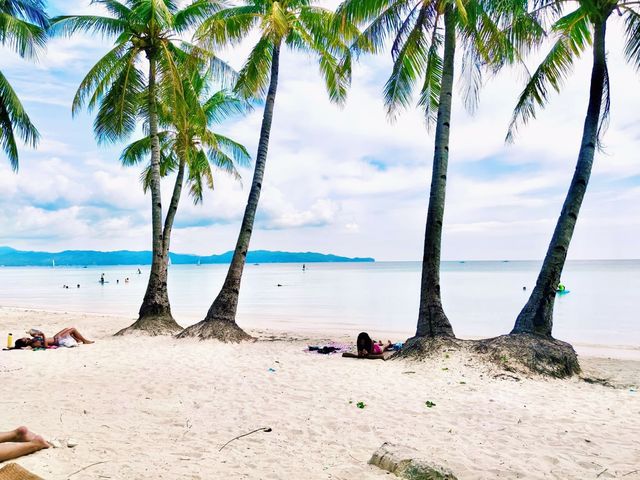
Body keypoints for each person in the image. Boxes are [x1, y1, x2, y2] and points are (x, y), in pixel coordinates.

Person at [14, 328, 94, 349]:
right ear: (24, 342)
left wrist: (33, 334)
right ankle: (85, 341)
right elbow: (45, 346)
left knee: (67, 328)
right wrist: (43, 335)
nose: (24, 338)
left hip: (55, 338)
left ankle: (78, 340)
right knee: (72, 329)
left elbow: (36, 336)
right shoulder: (34, 344)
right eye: (23, 339)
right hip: (57, 341)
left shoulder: (32, 340)